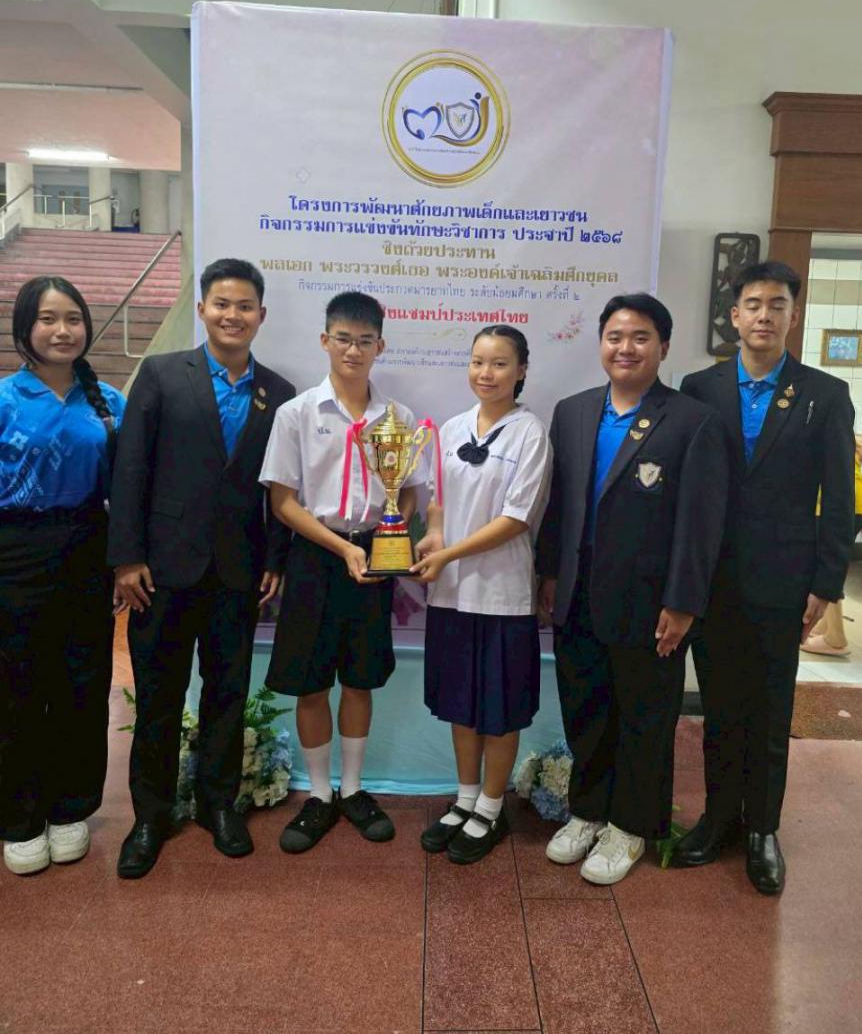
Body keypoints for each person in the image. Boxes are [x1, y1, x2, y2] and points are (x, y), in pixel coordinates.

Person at [109, 258, 295, 878]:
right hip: (161, 572)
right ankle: (150, 816)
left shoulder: (278, 392)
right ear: (202, 309)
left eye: (244, 306)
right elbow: (130, 468)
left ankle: (219, 804)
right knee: (159, 697)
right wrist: (127, 557)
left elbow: (281, 487)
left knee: (227, 694)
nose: (232, 315)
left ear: (261, 315)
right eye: (221, 304)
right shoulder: (162, 374)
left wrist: (275, 558)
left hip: (238, 574)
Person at [674, 260, 855, 894]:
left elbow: (839, 498)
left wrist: (826, 583)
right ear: (735, 315)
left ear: (793, 316)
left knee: (771, 710)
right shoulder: (699, 388)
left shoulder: (824, 393)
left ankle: (763, 830)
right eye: (753, 304)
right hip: (714, 581)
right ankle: (719, 819)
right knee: (720, 707)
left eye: (777, 305)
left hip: (784, 582)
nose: (764, 315)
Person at [536, 294, 728, 885]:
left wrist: (684, 602)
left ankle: (632, 826)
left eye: (640, 337)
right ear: (601, 344)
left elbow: (701, 523)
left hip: (650, 603)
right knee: (586, 709)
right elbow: (559, 505)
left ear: (663, 347)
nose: (626, 348)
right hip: (578, 593)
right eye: (615, 336)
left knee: (645, 717)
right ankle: (589, 812)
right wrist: (549, 575)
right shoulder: (573, 411)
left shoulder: (692, 420)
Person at [259, 290, 425, 854]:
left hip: (376, 556)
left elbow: (411, 493)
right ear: (324, 341)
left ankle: (353, 789)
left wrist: (392, 536)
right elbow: (283, 502)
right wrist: (341, 549)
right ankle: (319, 794)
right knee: (311, 682)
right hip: (315, 556)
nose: (354, 350)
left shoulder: (398, 419)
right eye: (344, 339)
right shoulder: (297, 413)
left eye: (365, 341)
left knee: (359, 677)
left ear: (381, 346)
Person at [0, 276, 126, 876]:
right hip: (14, 551)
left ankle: (71, 807)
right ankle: (20, 817)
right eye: (48, 319)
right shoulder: (5, 398)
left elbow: (126, 490)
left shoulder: (109, 403)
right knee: (17, 685)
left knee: (82, 680)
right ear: (25, 327)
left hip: (86, 548)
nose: (62, 330)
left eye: (73, 318)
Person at [412, 326, 552, 864]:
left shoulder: (530, 434)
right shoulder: (450, 428)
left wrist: (449, 554)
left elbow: (517, 518)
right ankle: (465, 798)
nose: (485, 373)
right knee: (461, 705)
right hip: (451, 595)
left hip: (501, 595)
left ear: (521, 370)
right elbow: (437, 502)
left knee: (500, 709)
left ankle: (492, 808)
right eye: (477, 361)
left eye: (498, 363)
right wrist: (433, 537)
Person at [801, 434, 862, 656]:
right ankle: (825, 627)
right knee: (830, 564)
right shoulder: (846, 436)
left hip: (837, 506)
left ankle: (835, 639)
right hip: (856, 502)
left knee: (826, 567)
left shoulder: (832, 431)